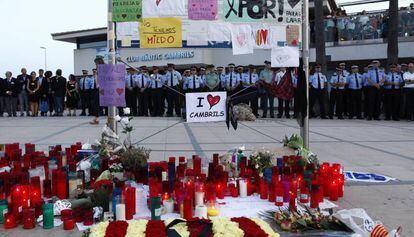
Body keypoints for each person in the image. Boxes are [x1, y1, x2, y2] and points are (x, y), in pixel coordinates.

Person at [90, 58, 102, 125]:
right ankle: (96, 118)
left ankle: (97, 118)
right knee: (95, 103)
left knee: (95, 103)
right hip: (98, 88)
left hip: (102, 88)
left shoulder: (102, 69)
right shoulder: (98, 70)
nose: (95, 64)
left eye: (96, 63)